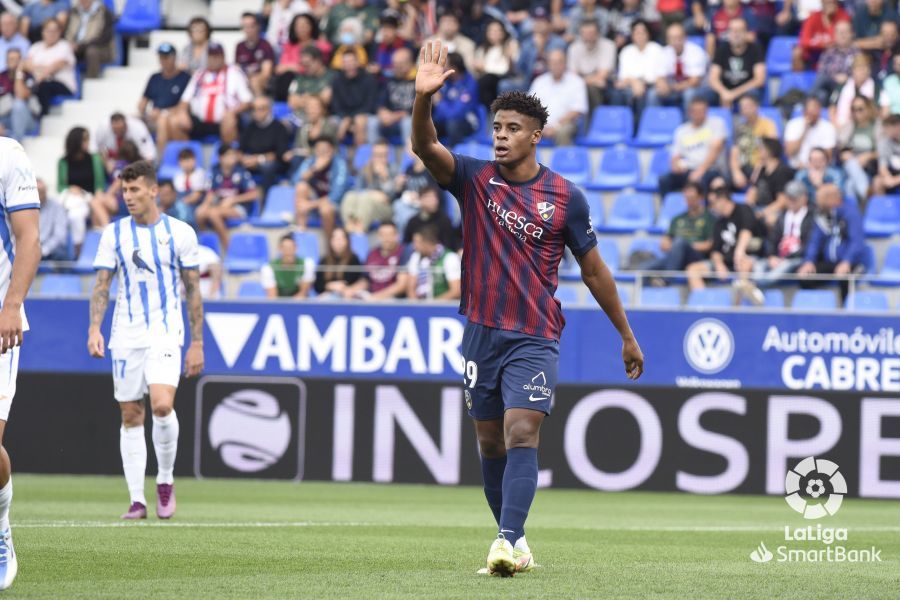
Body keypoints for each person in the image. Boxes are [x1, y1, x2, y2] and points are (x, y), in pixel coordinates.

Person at [411, 41, 643, 576]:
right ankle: (512, 538)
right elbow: (425, 147)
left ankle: (506, 539)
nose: (501, 136)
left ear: (536, 136)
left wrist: (625, 335)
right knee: (490, 441)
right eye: (497, 127)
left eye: (513, 129)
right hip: (480, 332)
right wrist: (421, 99)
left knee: (521, 432)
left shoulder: (565, 197)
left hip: (534, 334)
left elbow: (594, 272)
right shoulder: (472, 179)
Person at [88, 160, 205, 521]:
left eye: (135, 189)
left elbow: (193, 289)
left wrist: (197, 342)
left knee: (161, 405)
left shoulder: (181, 233)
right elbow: (102, 285)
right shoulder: (114, 233)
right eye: (124, 190)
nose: (128, 197)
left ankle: (165, 481)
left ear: (154, 191)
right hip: (125, 333)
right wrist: (95, 328)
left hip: (166, 330)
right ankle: (137, 500)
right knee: (130, 413)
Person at [0, 137, 41, 591]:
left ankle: (1, 521)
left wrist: (12, 304)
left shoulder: (7, 154)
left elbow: (29, 237)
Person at [166, 43, 253, 147]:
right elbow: (185, 100)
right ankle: (187, 157)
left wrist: (233, 111)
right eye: (211, 56)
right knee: (175, 121)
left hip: (224, 119)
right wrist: (183, 112)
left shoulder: (234, 73)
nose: (214, 59)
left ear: (223, 57)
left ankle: (227, 156)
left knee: (229, 121)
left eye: (217, 56)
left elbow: (247, 101)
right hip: (199, 120)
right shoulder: (199, 74)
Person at [686, 187, 763, 292]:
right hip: (726, 261)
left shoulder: (743, 209)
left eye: (712, 203)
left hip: (747, 257)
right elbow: (715, 250)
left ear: (722, 200)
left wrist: (739, 253)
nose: (711, 207)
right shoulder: (718, 223)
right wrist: (719, 264)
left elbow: (746, 231)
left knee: (744, 264)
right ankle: (703, 302)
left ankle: (740, 301)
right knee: (693, 269)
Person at [797, 183, 866, 299]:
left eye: (821, 199)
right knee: (805, 276)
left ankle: (846, 312)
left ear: (832, 198)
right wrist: (809, 261)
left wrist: (847, 261)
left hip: (850, 261)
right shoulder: (822, 216)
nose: (818, 202)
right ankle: (815, 310)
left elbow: (857, 242)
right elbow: (815, 241)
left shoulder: (850, 214)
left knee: (846, 277)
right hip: (829, 262)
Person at [747, 180, 814, 293]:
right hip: (778, 257)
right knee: (758, 265)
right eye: (789, 198)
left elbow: (810, 243)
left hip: (795, 258)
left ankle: (753, 288)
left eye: (795, 198)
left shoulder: (812, 217)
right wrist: (771, 256)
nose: (792, 201)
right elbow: (772, 238)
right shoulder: (783, 216)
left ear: (804, 198)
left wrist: (787, 258)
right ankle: (755, 290)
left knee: (776, 273)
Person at [639, 182, 713, 282]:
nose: (689, 201)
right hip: (675, 257)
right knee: (643, 269)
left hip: (695, 257)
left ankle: (666, 280)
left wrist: (684, 246)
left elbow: (709, 244)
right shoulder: (677, 219)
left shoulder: (709, 218)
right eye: (687, 198)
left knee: (680, 242)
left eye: (692, 198)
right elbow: (664, 244)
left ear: (700, 197)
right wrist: (674, 247)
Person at [658, 97, 727, 197]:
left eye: (702, 111)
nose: (699, 114)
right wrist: (675, 165)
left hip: (710, 169)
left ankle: (703, 212)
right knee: (664, 180)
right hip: (688, 169)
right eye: (696, 111)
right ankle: (667, 208)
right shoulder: (681, 130)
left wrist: (700, 170)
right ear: (690, 112)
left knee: (703, 181)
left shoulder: (716, 124)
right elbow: (675, 155)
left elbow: (716, 150)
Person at [196, 144, 259, 251]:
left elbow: (254, 194)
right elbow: (211, 193)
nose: (232, 158)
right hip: (219, 206)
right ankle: (205, 247)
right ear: (221, 158)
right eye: (228, 155)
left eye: (233, 155)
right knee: (200, 213)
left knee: (213, 214)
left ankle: (229, 249)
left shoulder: (241, 172)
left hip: (239, 208)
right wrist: (204, 206)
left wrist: (233, 199)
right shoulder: (215, 172)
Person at [56, 126, 105, 252]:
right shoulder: (63, 162)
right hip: (72, 198)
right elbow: (60, 186)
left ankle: (105, 232)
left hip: (89, 197)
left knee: (88, 207)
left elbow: (99, 183)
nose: (88, 142)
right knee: (74, 214)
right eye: (85, 139)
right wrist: (71, 188)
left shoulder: (94, 158)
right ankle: (78, 249)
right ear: (76, 141)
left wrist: (97, 194)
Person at [527, 49, 588, 146]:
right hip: (540, 125)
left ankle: (562, 161)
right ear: (548, 64)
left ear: (565, 63)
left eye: (560, 62)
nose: (556, 66)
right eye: (553, 62)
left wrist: (556, 126)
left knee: (563, 132)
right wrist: (542, 126)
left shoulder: (576, 81)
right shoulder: (539, 82)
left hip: (565, 124)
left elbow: (577, 110)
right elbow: (529, 108)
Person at [292, 136, 350, 238]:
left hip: (336, 204)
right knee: (301, 187)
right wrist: (313, 169)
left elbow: (335, 196)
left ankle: (330, 247)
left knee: (326, 209)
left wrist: (310, 205)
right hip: (315, 199)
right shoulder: (311, 161)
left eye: (325, 150)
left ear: (331, 151)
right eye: (318, 150)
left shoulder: (340, 164)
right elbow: (295, 180)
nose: (321, 153)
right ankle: (301, 231)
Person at [609, 20, 663, 123]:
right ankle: (619, 127)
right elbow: (623, 77)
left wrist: (640, 83)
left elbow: (657, 75)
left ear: (648, 34)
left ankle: (646, 127)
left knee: (649, 94)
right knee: (619, 93)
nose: (640, 36)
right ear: (632, 36)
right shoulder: (626, 51)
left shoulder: (657, 49)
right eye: (636, 33)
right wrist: (634, 82)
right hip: (630, 86)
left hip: (651, 85)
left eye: (643, 32)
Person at [138, 43, 191, 144]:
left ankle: (162, 158)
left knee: (164, 121)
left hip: (174, 115)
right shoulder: (154, 77)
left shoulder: (184, 78)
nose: (163, 61)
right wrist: (145, 114)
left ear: (174, 58)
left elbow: (186, 105)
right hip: (154, 116)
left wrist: (163, 112)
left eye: (166, 57)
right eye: (161, 57)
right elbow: (142, 103)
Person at [708, 18, 766, 109]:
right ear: (728, 33)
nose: (736, 34)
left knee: (751, 95)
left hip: (746, 90)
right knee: (699, 95)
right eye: (733, 31)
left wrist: (733, 94)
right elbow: (713, 78)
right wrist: (724, 92)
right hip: (726, 89)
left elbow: (759, 80)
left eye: (740, 31)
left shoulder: (755, 49)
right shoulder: (722, 49)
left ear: (746, 33)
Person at [650, 22, 708, 113]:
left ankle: (688, 125)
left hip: (698, 88)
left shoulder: (696, 52)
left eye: (679, 37)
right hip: (673, 88)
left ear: (685, 37)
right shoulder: (664, 52)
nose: (676, 41)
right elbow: (659, 76)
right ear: (667, 40)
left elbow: (694, 81)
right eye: (672, 38)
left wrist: (671, 87)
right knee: (653, 94)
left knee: (689, 94)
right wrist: (662, 85)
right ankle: (656, 123)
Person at [341, 140, 397, 233]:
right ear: (372, 156)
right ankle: (350, 226)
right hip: (365, 205)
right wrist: (373, 193)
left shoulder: (393, 169)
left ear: (388, 156)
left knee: (366, 199)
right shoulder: (366, 169)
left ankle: (359, 229)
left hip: (386, 208)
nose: (380, 159)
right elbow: (357, 190)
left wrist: (385, 178)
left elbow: (392, 197)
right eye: (377, 155)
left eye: (384, 155)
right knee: (349, 196)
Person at [22, 18, 76, 115]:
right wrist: (42, 70)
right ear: (43, 32)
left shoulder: (64, 46)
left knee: (43, 85)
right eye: (48, 30)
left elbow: (56, 66)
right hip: (38, 81)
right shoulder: (36, 46)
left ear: (60, 32)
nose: (51, 34)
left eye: (55, 31)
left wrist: (38, 72)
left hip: (61, 83)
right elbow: (26, 65)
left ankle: (43, 116)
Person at [239, 95, 290, 195]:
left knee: (268, 167)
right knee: (231, 162)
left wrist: (258, 159)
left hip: (272, 163)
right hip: (251, 161)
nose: (256, 112)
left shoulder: (279, 127)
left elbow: (280, 154)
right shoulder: (250, 126)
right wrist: (243, 159)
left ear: (269, 110)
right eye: (254, 109)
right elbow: (240, 149)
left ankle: (267, 198)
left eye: (261, 109)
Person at [566, 19, 617, 112]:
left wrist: (583, 80)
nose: (588, 37)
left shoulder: (608, 45)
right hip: (581, 84)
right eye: (584, 33)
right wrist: (589, 80)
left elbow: (602, 76)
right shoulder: (574, 48)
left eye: (591, 33)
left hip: (607, 85)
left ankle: (595, 121)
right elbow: (573, 77)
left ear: (598, 33)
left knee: (591, 89)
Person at [730, 95, 778, 191]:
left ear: (756, 106)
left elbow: (772, 149)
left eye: (748, 106)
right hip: (743, 167)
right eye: (742, 107)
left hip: (761, 166)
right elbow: (734, 151)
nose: (745, 109)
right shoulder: (739, 128)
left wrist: (758, 170)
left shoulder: (768, 124)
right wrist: (736, 172)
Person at [331, 48, 378, 147]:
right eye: (345, 62)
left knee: (361, 122)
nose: (349, 65)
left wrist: (351, 118)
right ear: (342, 64)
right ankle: (336, 156)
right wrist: (346, 118)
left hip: (364, 114)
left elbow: (370, 104)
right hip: (343, 116)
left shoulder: (368, 78)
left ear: (357, 62)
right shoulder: (336, 81)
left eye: (351, 61)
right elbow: (335, 105)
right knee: (331, 122)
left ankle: (361, 157)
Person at [745, 137, 796, 226]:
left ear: (769, 150)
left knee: (771, 220)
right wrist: (748, 209)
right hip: (761, 208)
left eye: (761, 148)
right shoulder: (761, 169)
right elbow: (752, 192)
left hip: (777, 211)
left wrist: (762, 213)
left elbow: (782, 202)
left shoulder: (782, 171)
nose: (758, 151)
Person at [432, 52, 481, 145]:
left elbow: (456, 114)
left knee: (452, 124)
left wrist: (439, 102)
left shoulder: (469, 84)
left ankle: (454, 157)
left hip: (467, 122)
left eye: (445, 65)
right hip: (446, 120)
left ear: (453, 68)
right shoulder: (446, 82)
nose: (442, 69)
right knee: (427, 124)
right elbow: (438, 115)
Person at [839, 96, 880, 202]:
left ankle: (856, 217)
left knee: (849, 186)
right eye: (854, 109)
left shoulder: (876, 126)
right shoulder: (850, 126)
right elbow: (843, 148)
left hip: (870, 167)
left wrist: (868, 156)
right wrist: (846, 154)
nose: (857, 112)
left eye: (860, 109)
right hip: (852, 165)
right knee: (851, 164)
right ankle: (866, 191)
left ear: (868, 109)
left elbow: (883, 151)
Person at [406, 224, 462, 300]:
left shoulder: (450, 258)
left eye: (417, 242)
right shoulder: (416, 256)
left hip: (443, 308)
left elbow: (456, 291)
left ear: (427, 243)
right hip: (419, 306)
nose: (414, 246)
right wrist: (417, 306)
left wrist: (432, 306)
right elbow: (410, 287)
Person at [373, 47, 417, 144]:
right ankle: (376, 155)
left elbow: (418, 107)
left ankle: (410, 155)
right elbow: (381, 101)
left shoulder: (417, 80)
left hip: (408, 117)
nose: (396, 67)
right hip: (390, 117)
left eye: (400, 64)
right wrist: (382, 111)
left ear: (410, 63)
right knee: (372, 122)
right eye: (395, 64)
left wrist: (396, 116)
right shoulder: (390, 80)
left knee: (408, 122)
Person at [354, 222, 409, 299]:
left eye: (390, 234)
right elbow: (365, 280)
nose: (387, 238)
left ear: (397, 236)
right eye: (383, 235)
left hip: (394, 301)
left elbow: (402, 285)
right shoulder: (372, 254)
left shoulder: (404, 252)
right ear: (378, 236)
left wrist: (377, 297)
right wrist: (351, 290)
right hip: (371, 298)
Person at [283, 95, 338, 171]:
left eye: (315, 107)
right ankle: (293, 180)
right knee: (294, 158)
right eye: (309, 107)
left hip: (324, 157)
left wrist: (309, 153)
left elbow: (329, 148)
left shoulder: (329, 126)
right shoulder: (303, 126)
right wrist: (294, 152)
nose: (312, 110)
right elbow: (298, 145)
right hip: (305, 158)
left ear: (322, 109)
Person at [473, 20, 519, 109]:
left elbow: (504, 69)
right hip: (486, 83)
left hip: (503, 78)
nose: (495, 33)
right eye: (492, 30)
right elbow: (476, 66)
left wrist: (484, 66)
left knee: (487, 79)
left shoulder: (509, 45)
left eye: (498, 30)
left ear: (503, 32)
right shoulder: (482, 49)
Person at [63, 0, 114, 79]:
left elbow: (105, 38)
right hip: (75, 46)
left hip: (99, 48)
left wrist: (81, 46)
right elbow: (65, 32)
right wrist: (69, 44)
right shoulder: (73, 11)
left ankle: (92, 81)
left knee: (92, 52)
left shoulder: (105, 12)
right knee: (59, 49)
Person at [810, 20, 858, 105]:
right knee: (822, 94)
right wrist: (834, 76)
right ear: (835, 35)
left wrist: (848, 77)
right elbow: (821, 70)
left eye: (845, 32)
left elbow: (860, 72)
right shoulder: (828, 52)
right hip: (830, 84)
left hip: (848, 85)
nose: (843, 35)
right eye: (840, 32)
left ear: (851, 34)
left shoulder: (857, 53)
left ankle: (806, 100)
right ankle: (809, 100)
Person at [784, 96, 837, 169]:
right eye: (810, 112)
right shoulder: (792, 125)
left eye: (815, 111)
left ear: (819, 111)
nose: (812, 115)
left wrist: (810, 166)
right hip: (796, 168)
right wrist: (805, 130)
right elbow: (789, 152)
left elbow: (828, 155)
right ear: (804, 112)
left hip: (820, 169)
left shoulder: (828, 127)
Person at [795, 0, 850, 71]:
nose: (829, 3)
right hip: (815, 54)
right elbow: (804, 41)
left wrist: (829, 20)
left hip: (836, 54)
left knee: (832, 49)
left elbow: (841, 40)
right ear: (821, 2)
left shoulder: (843, 16)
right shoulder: (813, 17)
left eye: (832, 2)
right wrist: (822, 44)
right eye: (827, 2)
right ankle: (798, 80)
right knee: (797, 52)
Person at [830, 54, 877, 132]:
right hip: (841, 125)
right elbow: (832, 108)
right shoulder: (842, 86)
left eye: (866, 68)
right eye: (859, 68)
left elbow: (881, 110)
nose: (863, 71)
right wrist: (836, 125)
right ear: (853, 70)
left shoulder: (876, 88)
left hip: (867, 128)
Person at [403, 186, 459, 250]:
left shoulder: (444, 220)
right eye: (429, 197)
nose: (434, 201)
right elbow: (406, 245)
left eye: (435, 197)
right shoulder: (413, 222)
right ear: (420, 199)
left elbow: (449, 245)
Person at [260, 233, 316, 298]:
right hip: (278, 305)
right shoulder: (268, 268)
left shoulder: (307, 264)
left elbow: (303, 293)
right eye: (285, 248)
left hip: (299, 305)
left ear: (296, 248)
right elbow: (272, 296)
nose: (288, 251)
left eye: (291, 248)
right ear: (280, 248)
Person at [0, 48, 38, 142]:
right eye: (11, 59)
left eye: (16, 59)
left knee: (18, 105)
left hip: (27, 120)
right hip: (5, 118)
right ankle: (8, 136)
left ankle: (17, 143)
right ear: (6, 61)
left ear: (21, 61)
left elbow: (21, 95)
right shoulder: (2, 76)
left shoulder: (29, 76)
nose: (13, 62)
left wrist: (19, 73)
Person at [314, 227, 364, 298]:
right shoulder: (324, 260)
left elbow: (359, 280)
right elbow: (317, 285)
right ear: (330, 241)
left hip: (349, 296)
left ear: (347, 241)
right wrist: (330, 285)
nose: (338, 242)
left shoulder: (354, 259)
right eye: (335, 238)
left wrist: (346, 289)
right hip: (328, 297)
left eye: (341, 238)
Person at [286, 46, 334, 118]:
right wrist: (316, 97)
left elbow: (326, 99)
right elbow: (291, 102)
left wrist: (304, 98)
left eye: (307, 64)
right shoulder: (299, 78)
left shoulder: (332, 77)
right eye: (303, 64)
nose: (305, 68)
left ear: (318, 61)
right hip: (299, 117)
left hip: (324, 117)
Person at [235, 12, 275, 97]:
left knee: (255, 81)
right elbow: (237, 70)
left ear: (258, 26)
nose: (248, 29)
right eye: (245, 26)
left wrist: (250, 79)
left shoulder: (265, 45)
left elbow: (266, 73)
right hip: (244, 81)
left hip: (262, 82)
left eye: (251, 26)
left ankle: (259, 105)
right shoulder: (239, 46)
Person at [171, 147, 206, 226]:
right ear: (179, 162)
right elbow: (176, 194)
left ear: (195, 160)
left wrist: (180, 203)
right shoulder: (177, 176)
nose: (187, 163)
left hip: (195, 205)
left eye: (189, 160)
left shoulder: (200, 173)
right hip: (179, 203)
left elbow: (196, 196)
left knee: (182, 210)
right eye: (183, 160)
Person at [38, 178, 69, 261]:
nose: (39, 194)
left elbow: (60, 236)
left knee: (60, 254)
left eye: (42, 191)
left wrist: (43, 250)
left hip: (51, 251)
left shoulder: (57, 207)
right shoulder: (25, 209)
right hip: (30, 249)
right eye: (37, 191)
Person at [873, 113, 900, 195]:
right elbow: (882, 166)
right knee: (877, 181)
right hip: (893, 174)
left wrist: (896, 180)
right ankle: (882, 207)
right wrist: (888, 178)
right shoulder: (884, 143)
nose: (885, 130)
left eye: (888, 127)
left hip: (897, 178)